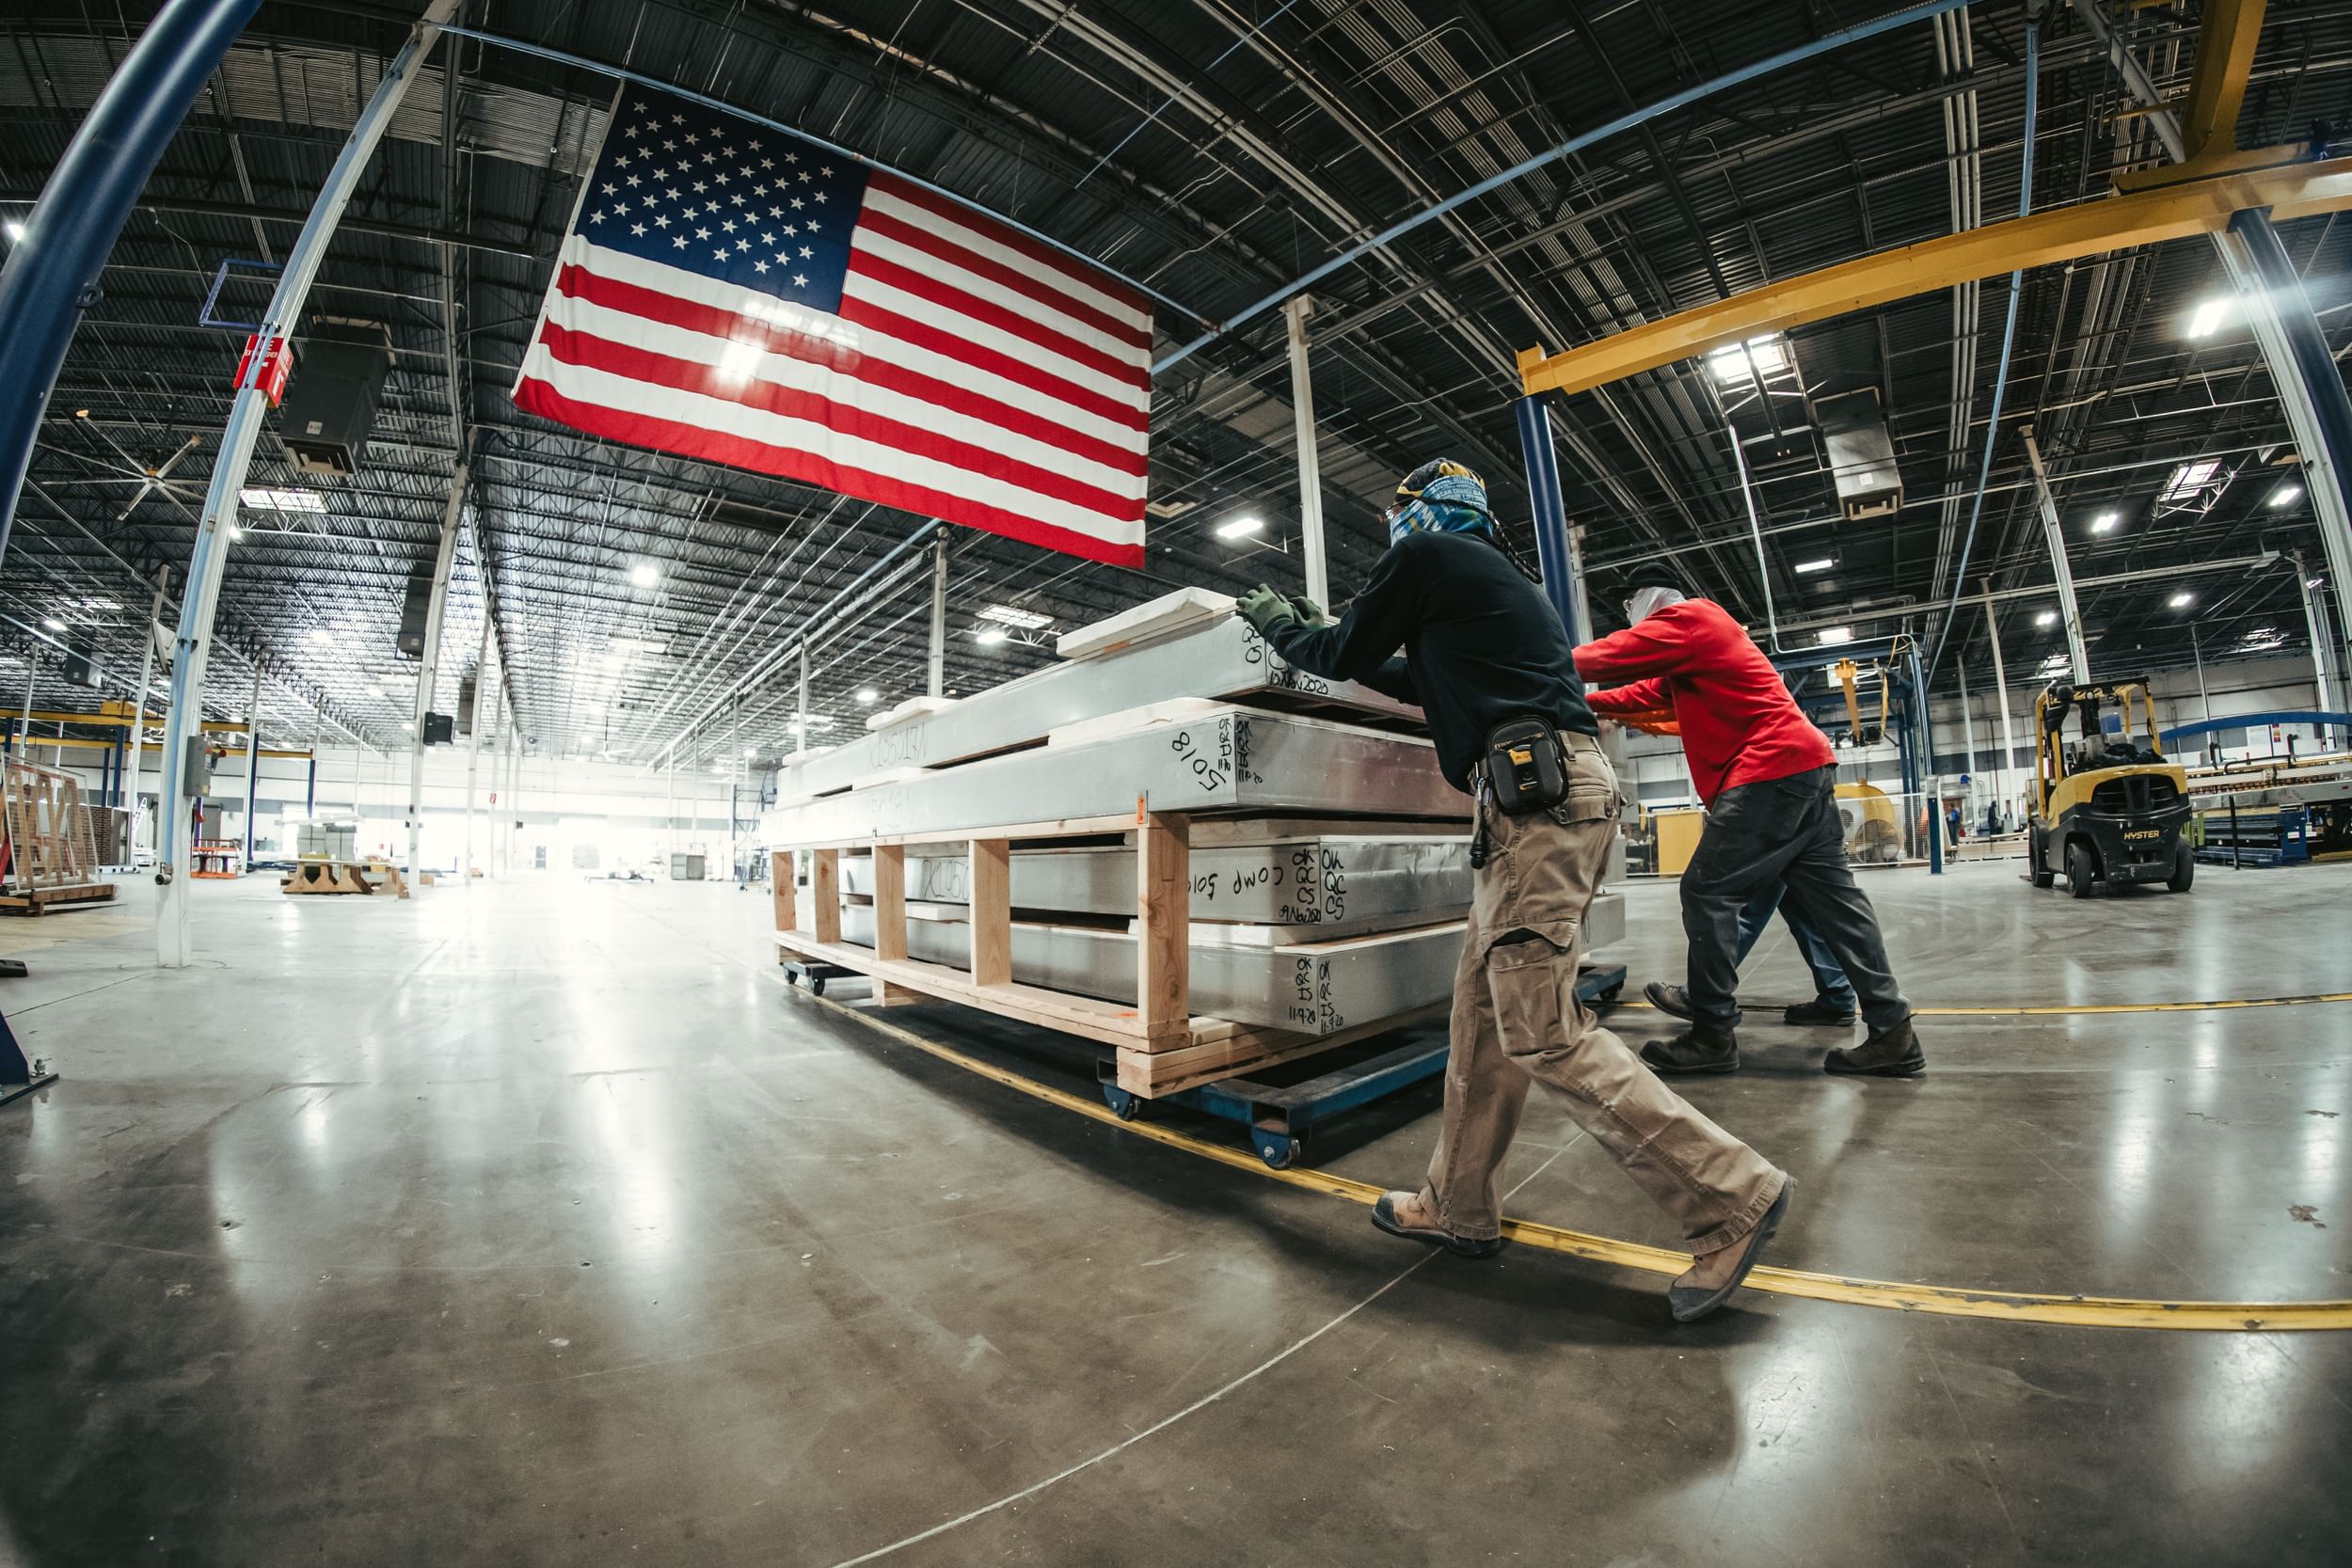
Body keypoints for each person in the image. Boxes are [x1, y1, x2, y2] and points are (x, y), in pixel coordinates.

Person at [1233, 460, 1792, 1323]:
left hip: (1539, 805)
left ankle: (1731, 1195)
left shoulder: (1429, 559)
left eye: (1400, 512)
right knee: (1482, 1019)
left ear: (1426, 512)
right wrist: (1324, 635)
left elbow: (1343, 653)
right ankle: (1457, 1206)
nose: (1394, 527)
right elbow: (1415, 679)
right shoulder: (1491, 584)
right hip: (1538, 802)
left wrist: (1287, 628)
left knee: (1542, 1029)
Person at [1574, 565, 1925, 1078]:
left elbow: (1608, 655)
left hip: (1770, 771)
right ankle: (1893, 1031)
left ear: (1646, 601)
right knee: (1834, 904)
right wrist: (1575, 704)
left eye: (1630, 607)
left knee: (1707, 891)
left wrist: (1536, 668)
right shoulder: (1694, 653)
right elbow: (1640, 695)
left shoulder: (1691, 618)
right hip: (1804, 768)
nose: (1632, 617)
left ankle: (1712, 1033)